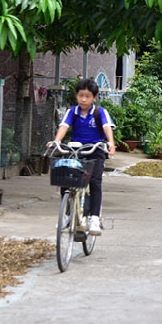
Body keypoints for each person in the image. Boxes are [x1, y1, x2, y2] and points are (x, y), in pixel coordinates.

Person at [47, 78, 116, 235]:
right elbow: (64, 126)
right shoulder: (72, 111)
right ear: (76, 96)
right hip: (75, 149)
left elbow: (106, 127)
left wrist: (110, 143)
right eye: (81, 96)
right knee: (65, 178)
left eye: (87, 96)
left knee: (95, 181)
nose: (83, 99)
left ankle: (94, 218)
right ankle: (67, 214)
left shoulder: (100, 112)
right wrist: (56, 142)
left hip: (95, 149)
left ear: (94, 98)